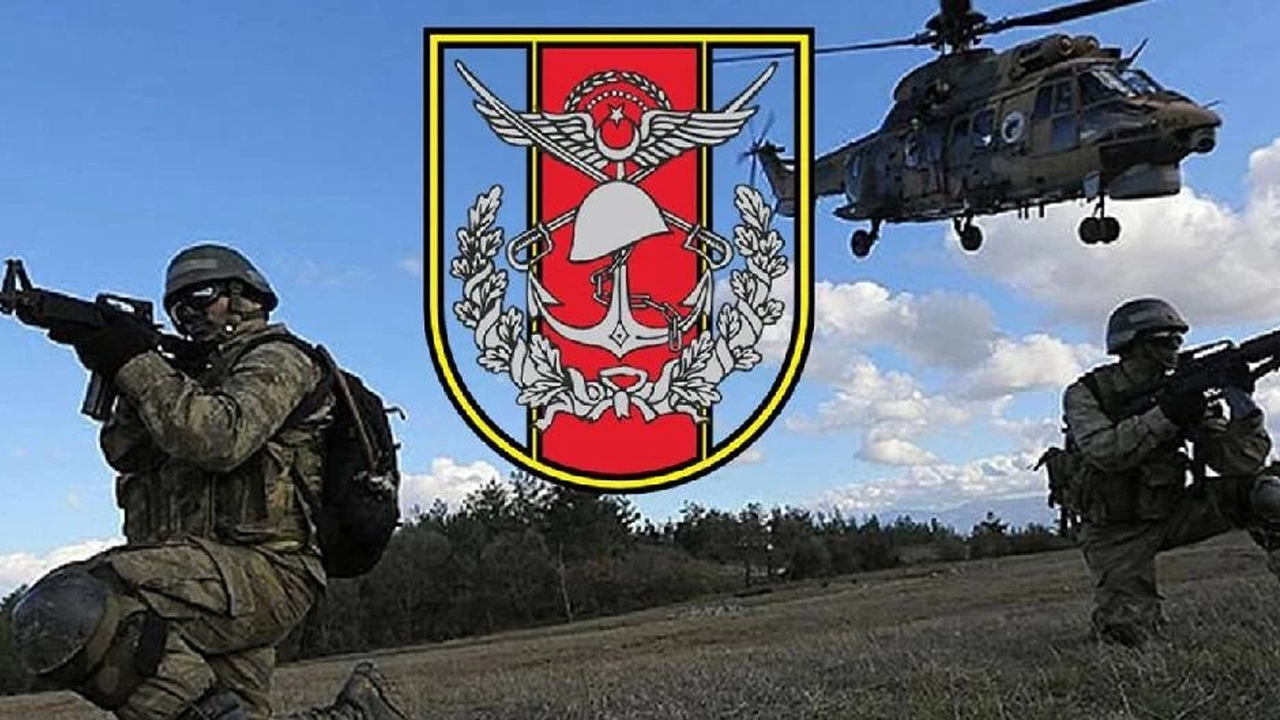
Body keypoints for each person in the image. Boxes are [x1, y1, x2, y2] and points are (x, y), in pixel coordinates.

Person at [9, 244, 411, 720]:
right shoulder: (186, 378)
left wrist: (136, 361)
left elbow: (218, 438)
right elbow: (125, 452)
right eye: (178, 309)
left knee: (69, 605)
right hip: (204, 574)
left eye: (201, 297)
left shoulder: (280, 359)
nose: (189, 315)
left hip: (265, 571)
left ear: (246, 297)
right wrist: (122, 364)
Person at [1062, 297, 1280, 647]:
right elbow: (1105, 452)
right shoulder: (1087, 393)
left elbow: (1239, 464)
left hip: (1173, 511)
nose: (1175, 349)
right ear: (1133, 345)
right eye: (1165, 341)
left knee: (1268, 494)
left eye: (1178, 340)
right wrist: (1167, 416)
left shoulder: (1182, 391)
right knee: (1128, 636)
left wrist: (1243, 405)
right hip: (1115, 531)